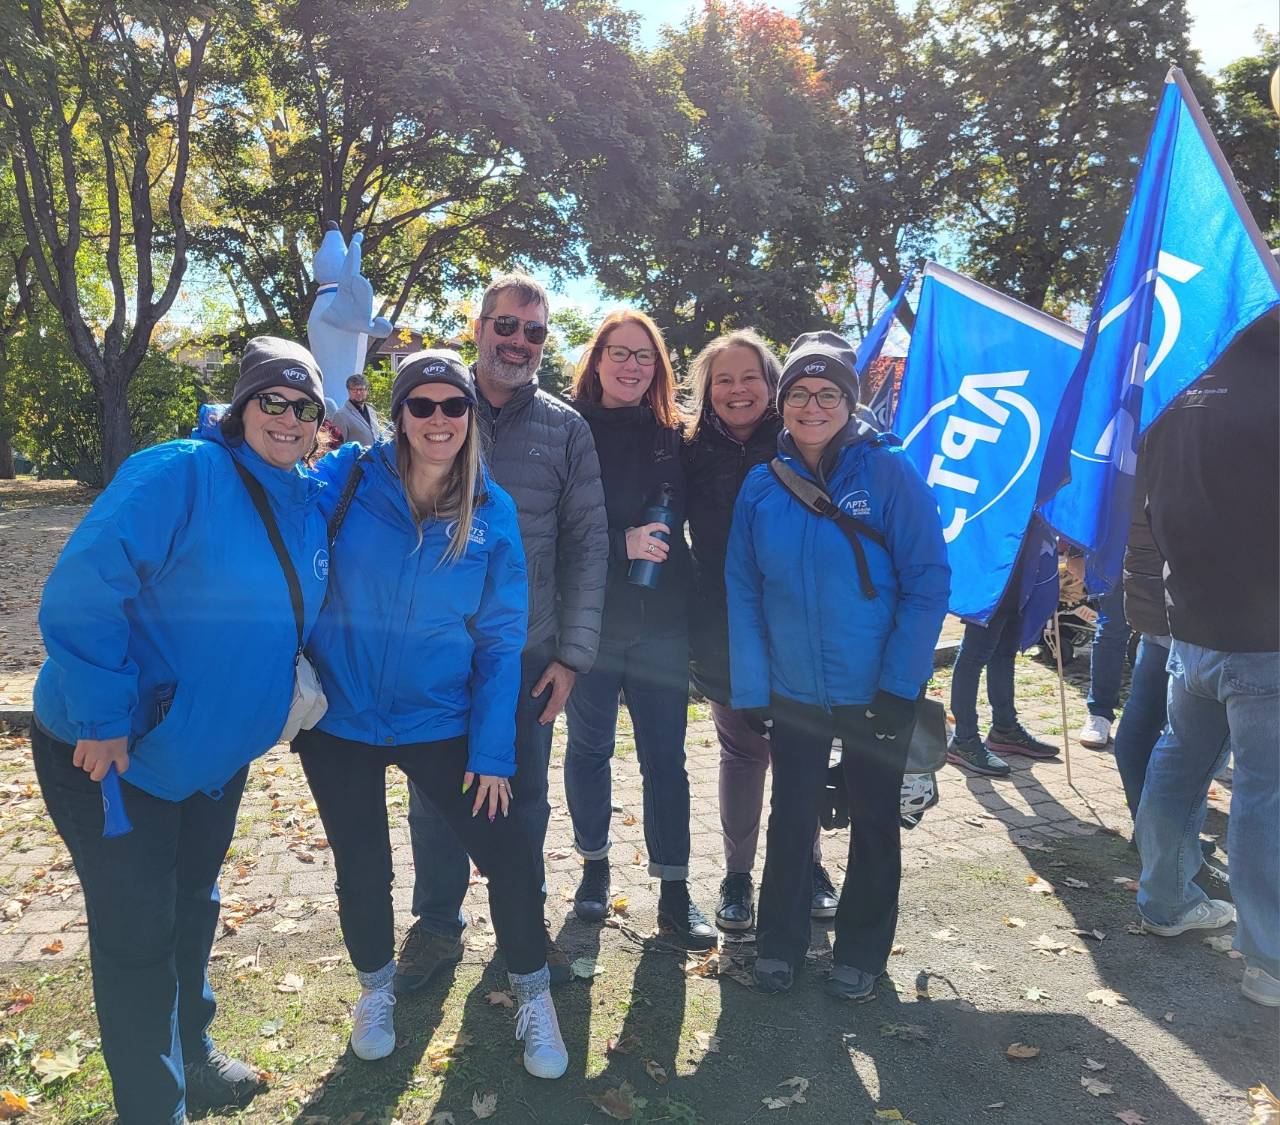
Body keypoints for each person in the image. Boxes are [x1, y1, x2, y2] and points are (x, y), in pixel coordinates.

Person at [31, 337, 330, 1124]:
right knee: (137, 940)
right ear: (241, 405)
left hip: (209, 758)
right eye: (272, 399)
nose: (288, 417)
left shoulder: (303, 494)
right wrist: (100, 715)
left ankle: (192, 1056)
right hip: (113, 754)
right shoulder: (180, 471)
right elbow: (79, 591)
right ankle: (152, 1108)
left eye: (306, 406)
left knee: (193, 904)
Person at [298, 349, 570, 1076]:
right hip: (341, 719)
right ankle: (376, 990)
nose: (441, 418)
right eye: (424, 405)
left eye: (455, 405)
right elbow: (271, 488)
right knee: (363, 865)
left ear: (471, 415)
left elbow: (501, 639)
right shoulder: (345, 480)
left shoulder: (491, 508)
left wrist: (491, 751)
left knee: (509, 856)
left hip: (441, 719)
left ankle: (533, 994)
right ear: (400, 415)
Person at [397, 273, 608, 992]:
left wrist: (574, 655)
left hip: (527, 652)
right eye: (506, 325)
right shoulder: (433, 404)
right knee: (433, 794)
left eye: (535, 331)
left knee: (522, 794)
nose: (518, 341)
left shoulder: (566, 428)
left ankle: (523, 923)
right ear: (480, 327)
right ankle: (436, 923)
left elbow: (588, 541)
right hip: (434, 653)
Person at [726, 331, 950, 998]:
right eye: (799, 393)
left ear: (849, 404)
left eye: (828, 394)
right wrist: (752, 684)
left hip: (872, 688)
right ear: (782, 403)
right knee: (791, 815)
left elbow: (928, 579)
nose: (813, 406)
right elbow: (742, 586)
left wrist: (900, 685)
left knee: (875, 819)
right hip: (793, 688)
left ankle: (861, 949)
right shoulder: (761, 487)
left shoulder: (888, 472)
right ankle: (779, 942)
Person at [1135, 312, 1278, 1009]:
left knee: (1181, 766)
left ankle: (1162, 899)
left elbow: (1149, 499)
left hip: (1188, 621)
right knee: (1262, 795)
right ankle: (1269, 958)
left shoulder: (1182, 383)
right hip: (1263, 636)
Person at [563, 309, 715, 949]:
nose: (631, 365)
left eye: (644, 356)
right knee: (590, 750)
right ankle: (594, 866)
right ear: (596, 360)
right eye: (618, 353)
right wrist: (619, 541)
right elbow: (547, 528)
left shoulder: (675, 435)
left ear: (658, 368)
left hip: (661, 622)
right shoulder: (565, 429)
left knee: (666, 760)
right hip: (591, 623)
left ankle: (675, 890)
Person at [682, 329, 837, 931]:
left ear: (772, 384)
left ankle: (807, 862)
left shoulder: (806, 439)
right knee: (742, 752)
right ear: (707, 390)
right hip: (721, 625)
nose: (737, 389)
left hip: (800, 625)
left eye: (750, 377)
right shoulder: (688, 449)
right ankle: (738, 876)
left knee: (802, 750)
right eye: (723, 379)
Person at [946, 543, 1063, 776]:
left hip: (1023, 569)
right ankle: (964, 738)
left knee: (1005, 652)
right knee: (974, 655)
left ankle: (1004, 727)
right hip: (992, 572)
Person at [1077, 584, 1132, 748]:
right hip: (1113, 565)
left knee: (1162, 640)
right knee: (1110, 632)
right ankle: (1099, 715)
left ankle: (1159, 722)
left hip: (1169, 562)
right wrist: (1076, 556)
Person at [330, 372, 383, 447]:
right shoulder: (341, 415)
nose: (358, 393)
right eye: (354, 390)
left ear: (366, 390)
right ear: (348, 391)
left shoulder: (372, 411)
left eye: (361, 389)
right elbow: (336, 447)